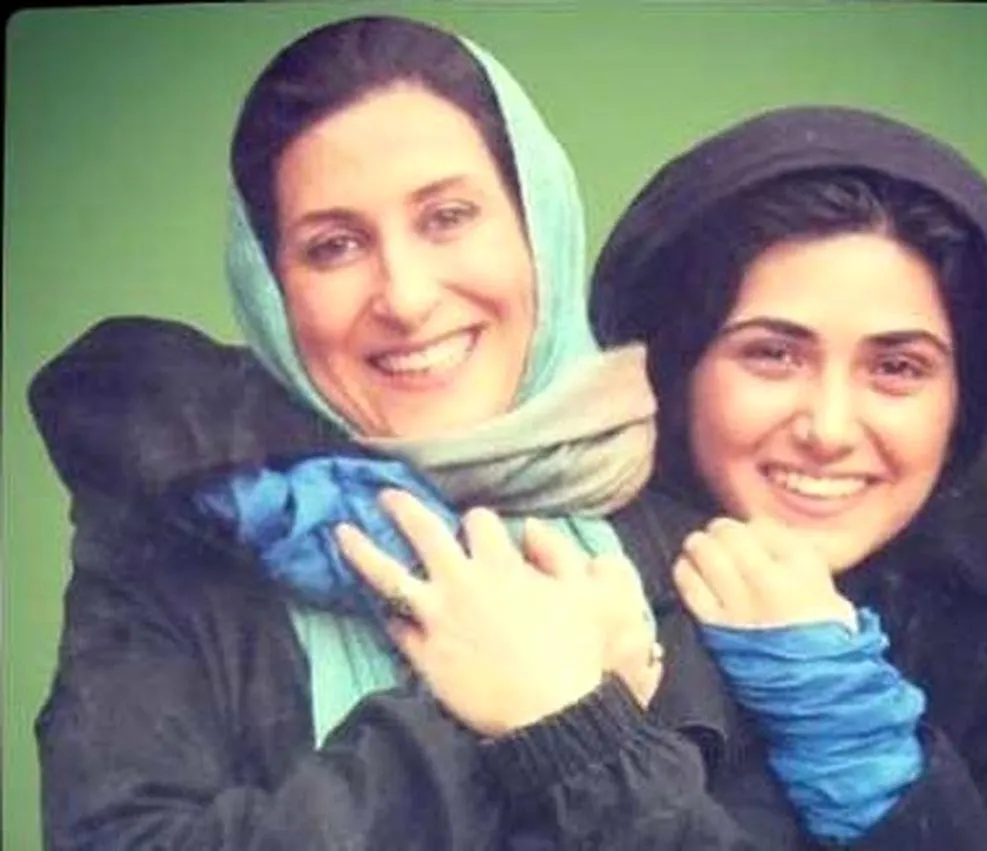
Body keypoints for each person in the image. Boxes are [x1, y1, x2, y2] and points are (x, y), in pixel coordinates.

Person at [27, 14, 811, 849]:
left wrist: (583, 739)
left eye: (447, 216)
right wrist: (477, 719)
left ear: (537, 226)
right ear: (273, 288)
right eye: (334, 245)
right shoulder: (180, 551)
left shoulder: (706, 546)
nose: (404, 296)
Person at [588, 104, 987, 849]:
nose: (829, 430)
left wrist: (857, 744)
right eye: (773, 354)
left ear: (964, 399)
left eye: (898, 367)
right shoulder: (559, 548)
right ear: (675, 368)